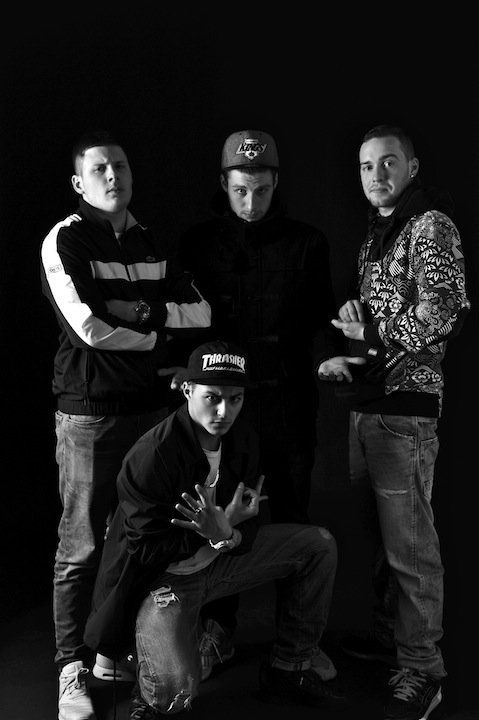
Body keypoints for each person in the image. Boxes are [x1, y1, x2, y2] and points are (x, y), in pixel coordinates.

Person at [40, 129, 211, 720]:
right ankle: (72, 668)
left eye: (120, 165)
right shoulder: (65, 240)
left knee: (142, 539)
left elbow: (201, 312)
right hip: (90, 416)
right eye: (99, 169)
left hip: (152, 414)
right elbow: (88, 327)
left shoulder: (151, 241)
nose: (112, 175)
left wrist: (137, 311)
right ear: (78, 182)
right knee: (82, 546)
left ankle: (115, 653)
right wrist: (159, 335)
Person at [83, 340, 347, 718]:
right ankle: (142, 663)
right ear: (188, 390)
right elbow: (145, 551)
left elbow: (249, 520)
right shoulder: (152, 455)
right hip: (163, 580)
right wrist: (213, 531)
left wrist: (230, 530)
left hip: (218, 563)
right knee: (175, 695)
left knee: (317, 545)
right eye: (212, 397)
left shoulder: (243, 439)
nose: (224, 411)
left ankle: (290, 667)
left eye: (235, 399)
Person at [176, 129, 343, 683]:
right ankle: (217, 632)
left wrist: (329, 355)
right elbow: (184, 323)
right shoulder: (199, 243)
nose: (251, 203)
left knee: (293, 517)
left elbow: (321, 316)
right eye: (240, 190)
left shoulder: (307, 242)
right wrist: (181, 372)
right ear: (223, 184)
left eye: (263, 191)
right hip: (224, 413)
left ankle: (297, 643)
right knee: (222, 518)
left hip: (289, 404)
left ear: (277, 184)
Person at [318, 124, 470, 720]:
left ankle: (424, 669)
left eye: (388, 163)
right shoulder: (377, 235)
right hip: (370, 406)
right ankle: (392, 642)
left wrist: (372, 331)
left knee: (411, 547)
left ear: (412, 167)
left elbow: (445, 310)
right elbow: (378, 322)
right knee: (384, 542)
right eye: (366, 166)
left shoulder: (430, 225)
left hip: (407, 410)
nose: (376, 175)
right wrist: (357, 323)